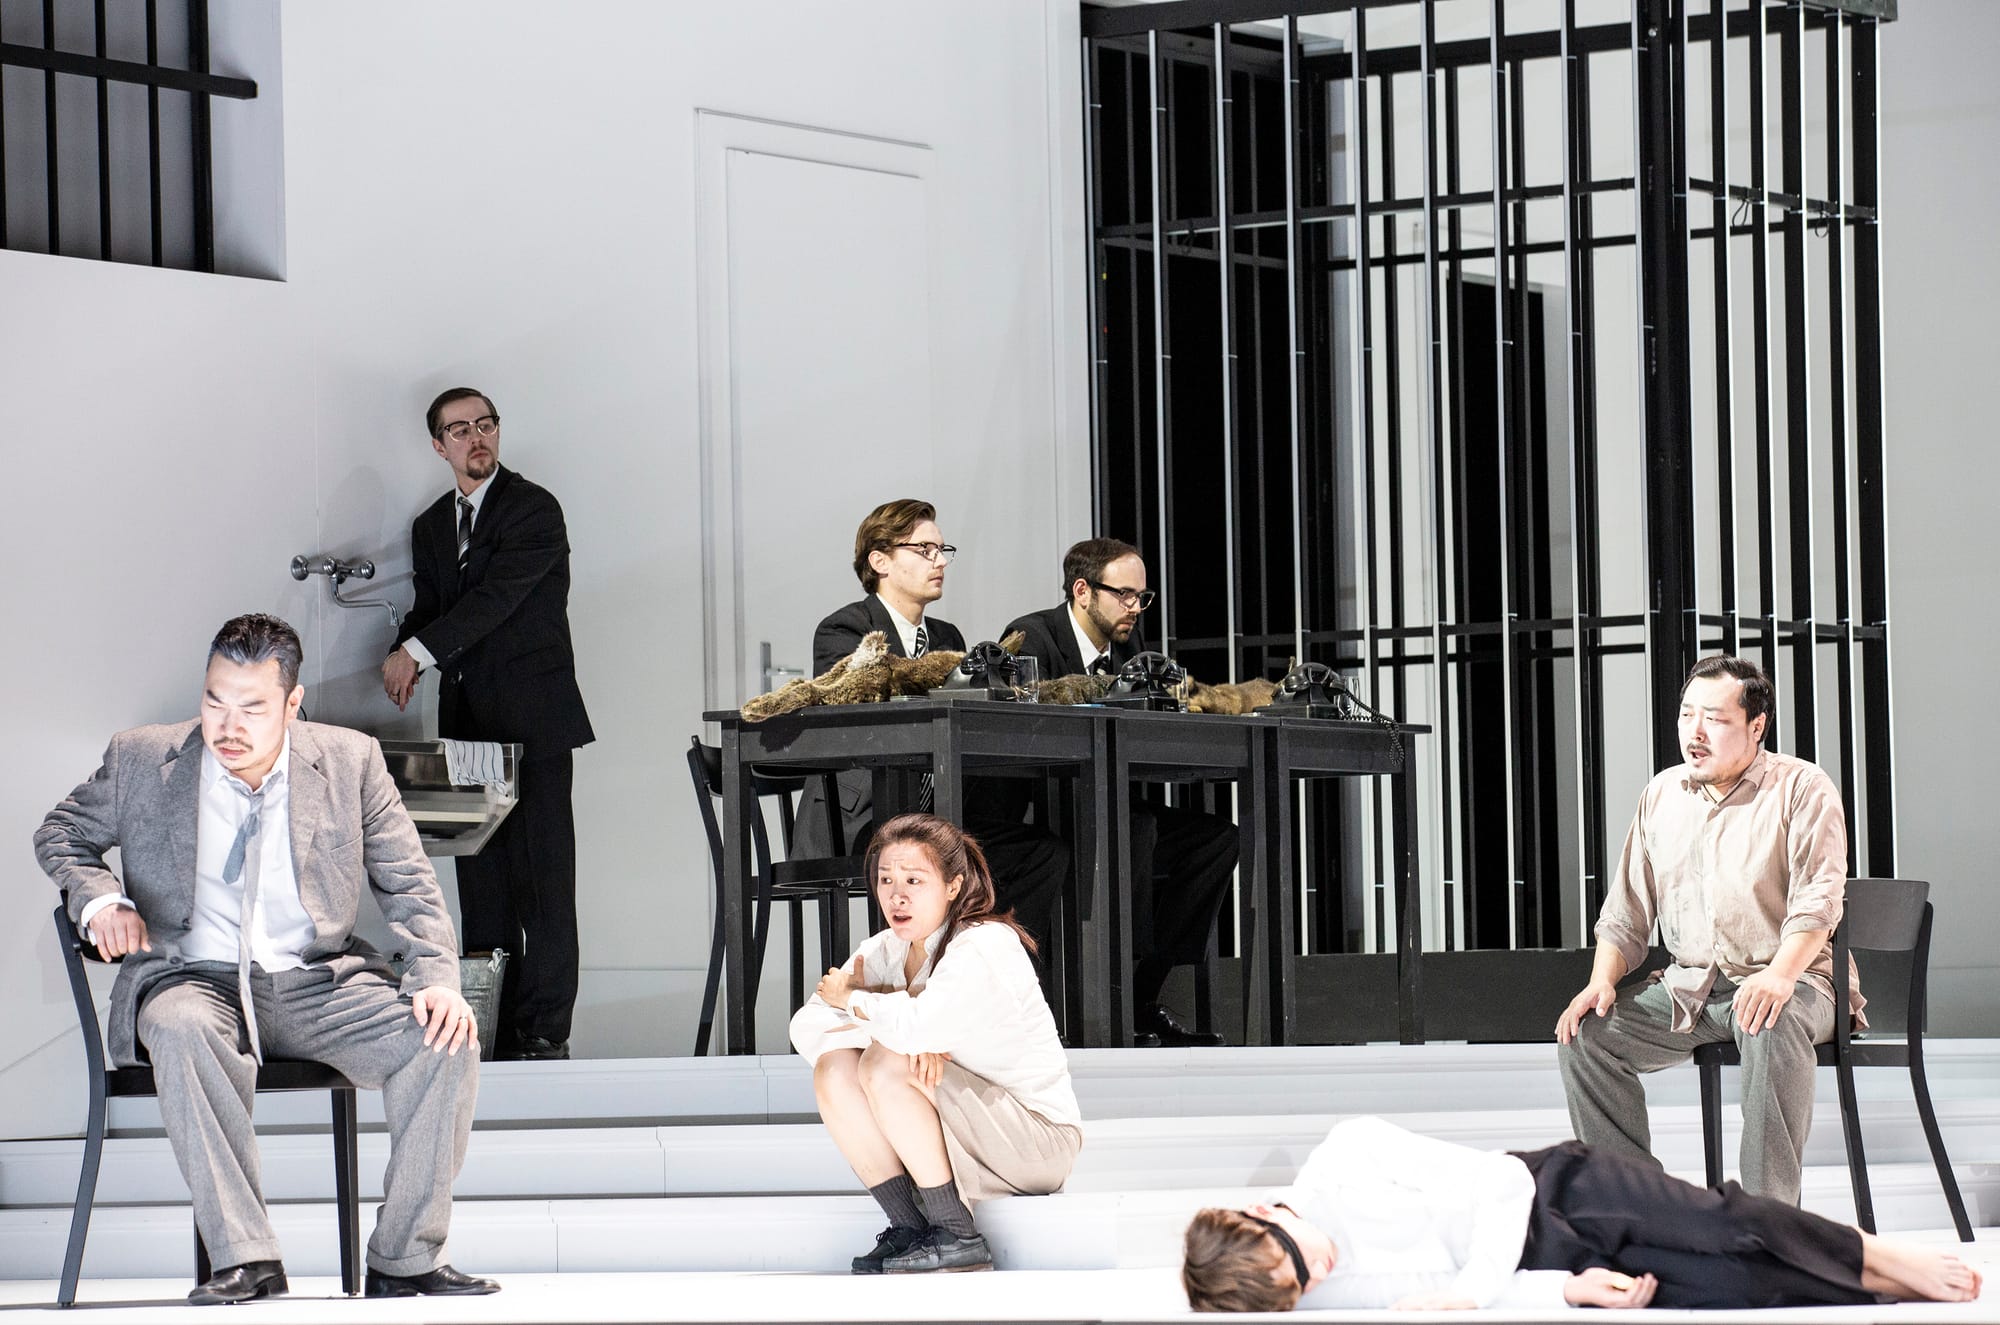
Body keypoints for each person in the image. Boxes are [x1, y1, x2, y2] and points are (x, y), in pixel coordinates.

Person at [36, 615, 497, 1304]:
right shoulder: (142, 758)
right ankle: (246, 1257)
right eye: (215, 700)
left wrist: (436, 976)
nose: (228, 725)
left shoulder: (350, 760)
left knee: (444, 1039)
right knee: (180, 1027)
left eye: (252, 707)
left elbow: (409, 883)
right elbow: (62, 831)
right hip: (195, 979)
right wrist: (102, 901)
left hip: (321, 985)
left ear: (291, 702)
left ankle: (405, 1257)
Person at [1556, 655, 1854, 1204]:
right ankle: (1639, 1208)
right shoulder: (1662, 794)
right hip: (1691, 987)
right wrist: (1600, 981)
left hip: (1796, 981)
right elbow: (1626, 913)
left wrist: (1779, 976)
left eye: (1713, 719)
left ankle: (1765, 1220)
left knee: (1769, 1018)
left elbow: (1818, 903)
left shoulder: (1801, 788)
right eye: (1686, 715)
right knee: (1588, 1038)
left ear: (1756, 726)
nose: (1694, 732)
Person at [1180, 1116, 1982, 1312]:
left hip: (1556, 1187)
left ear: (1265, 1210)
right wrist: (1564, 1290)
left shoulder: (1349, 1152)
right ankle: (1874, 1288)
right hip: (1540, 1260)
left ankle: (1881, 1254)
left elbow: (1499, 1185)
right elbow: (1445, 1291)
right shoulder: (1315, 1290)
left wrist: (1470, 1292)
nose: (1317, 1272)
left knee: (1723, 1225)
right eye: (1298, 1286)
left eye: (1296, 1257)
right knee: (1729, 1285)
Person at [383, 386, 594, 1061]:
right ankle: (489, 1027)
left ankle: (545, 1031)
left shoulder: (534, 508)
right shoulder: (429, 526)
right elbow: (435, 607)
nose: (477, 437)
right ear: (437, 444)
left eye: (486, 424)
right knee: (481, 885)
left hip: (537, 723)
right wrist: (400, 650)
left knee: (544, 882)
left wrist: (416, 652)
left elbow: (496, 600)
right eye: (460, 429)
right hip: (467, 724)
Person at [791, 814, 1083, 1275]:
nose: (896, 895)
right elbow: (807, 1026)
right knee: (834, 1069)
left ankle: (957, 1234)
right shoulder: (884, 950)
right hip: (966, 1123)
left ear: (952, 886)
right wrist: (901, 1028)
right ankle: (908, 1226)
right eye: (885, 879)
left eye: (914, 880)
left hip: (1036, 1141)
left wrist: (860, 1003)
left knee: (887, 1063)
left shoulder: (983, 944)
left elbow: (906, 1025)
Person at [796, 499, 1067, 952]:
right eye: (924, 550)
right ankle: (932, 976)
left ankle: (987, 976)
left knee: (1042, 851)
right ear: (880, 561)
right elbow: (864, 709)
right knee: (938, 859)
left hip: (935, 817)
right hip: (863, 819)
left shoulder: (947, 637)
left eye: (942, 551)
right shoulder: (843, 629)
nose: (939, 561)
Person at [1003, 537, 1236, 1047]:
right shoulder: (1033, 638)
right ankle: (1098, 1004)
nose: (1135, 607)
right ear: (1082, 590)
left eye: (1142, 597)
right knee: (1134, 827)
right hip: (1040, 808)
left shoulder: (1131, 650)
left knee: (1215, 839)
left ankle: (1141, 993)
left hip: (1102, 803)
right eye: (1124, 595)